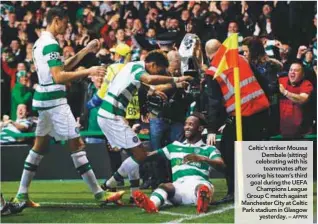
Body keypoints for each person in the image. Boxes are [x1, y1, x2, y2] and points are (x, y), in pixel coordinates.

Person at [13, 7, 124, 207]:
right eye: (65, 22)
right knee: (77, 146)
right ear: (57, 20)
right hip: (55, 103)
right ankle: (99, 194)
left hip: (45, 100)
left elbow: (61, 67)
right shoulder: (51, 45)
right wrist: (88, 71)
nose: (67, 27)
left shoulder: (41, 42)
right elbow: (59, 76)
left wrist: (85, 51)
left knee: (40, 147)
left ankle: (21, 194)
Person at [97, 50, 193, 200]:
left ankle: (135, 195)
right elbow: (147, 79)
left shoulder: (132, 67)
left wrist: (152, 90)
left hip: (110, 115)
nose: (160, 73)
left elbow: (139, 83)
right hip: (111, 116)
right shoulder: (138, 69)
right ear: (153, 65)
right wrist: (176, 79)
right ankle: (108, 185)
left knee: (136, 154)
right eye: (160, 70)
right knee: (141, 155)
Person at [205, 39, 270, 204]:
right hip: (259, 112)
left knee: (228, 153)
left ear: (208, 54)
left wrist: (212, 128)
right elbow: (263, 82)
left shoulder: (214, 70)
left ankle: (234, 191)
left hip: (240, 116)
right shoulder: (240, 59)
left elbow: (214, 103)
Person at [133, 112, 225, 214]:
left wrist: (202, 158)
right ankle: (151, 205)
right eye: (185, 124)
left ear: (200, 128)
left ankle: (202, 201)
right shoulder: (174, 146)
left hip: (198, 184)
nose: (186, 127)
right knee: (165, 186)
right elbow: (148, 156)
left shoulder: (209, 149)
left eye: (191, 124)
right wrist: (131, 145)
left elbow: (221, 164)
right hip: (178, 187)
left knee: (202, 188)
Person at [279, 62, 314, 138]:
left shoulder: (306, 84)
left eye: (296, 70)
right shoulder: (281, 81)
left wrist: (285, 92)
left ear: (302, 74)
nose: (292, 72)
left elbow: (302, 99)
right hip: (282, 132)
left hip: (301, 134)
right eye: (291, 70)